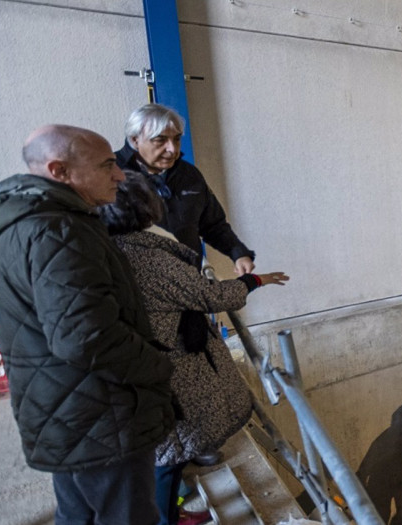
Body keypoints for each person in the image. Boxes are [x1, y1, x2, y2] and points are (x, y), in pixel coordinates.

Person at [0, 125, 175, 524]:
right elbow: (86, 338)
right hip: (101, 413)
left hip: (65, 411)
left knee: (78, 516)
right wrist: (159, 366)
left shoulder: (14, 223)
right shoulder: (59, 230)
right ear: (59, 170)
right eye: (108, 164)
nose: (119, 175)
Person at [98, 173, 289, 525]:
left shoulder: (105, 249)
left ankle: (168, 512)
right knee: (167, 458)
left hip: (138, 362)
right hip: (168, 364)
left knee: (164, 455)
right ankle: (163, 517)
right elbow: (211, 296)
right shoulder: (147, 257)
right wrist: (254, 280)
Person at [115, 104, 255, 276]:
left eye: (177, 139)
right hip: (134, 284)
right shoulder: (111, 175)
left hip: (187, 280)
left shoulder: (189, 175)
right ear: (135, 140)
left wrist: (238, 254)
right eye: (160, 140)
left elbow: (212, 224)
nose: (172, 149)